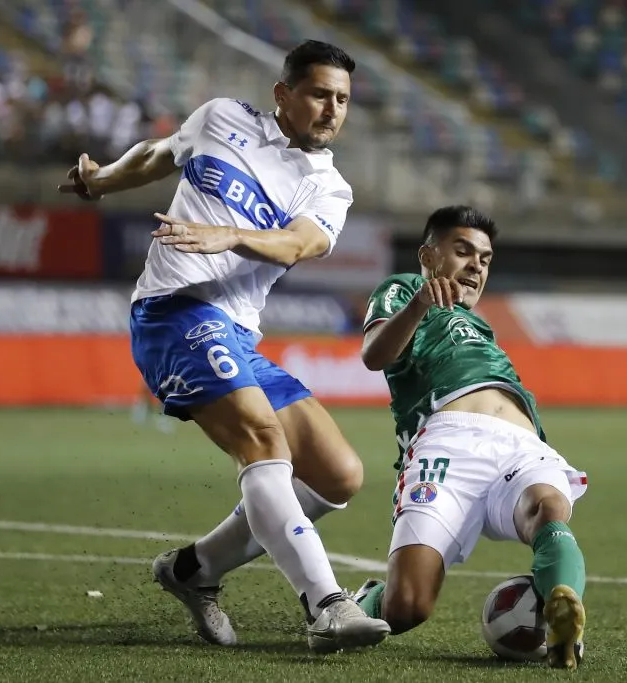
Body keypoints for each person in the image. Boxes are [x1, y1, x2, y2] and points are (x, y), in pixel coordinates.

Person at [57, 40, 390, 653]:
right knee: (265, 444)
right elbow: (161, 154)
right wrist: (101, 179)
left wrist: (228, 234)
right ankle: (326, 607)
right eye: (319, 94)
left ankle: (193, 571)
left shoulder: (328, 186)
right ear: (283, 94)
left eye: (342, 99)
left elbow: (296, 246)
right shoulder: (220, 117)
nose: (332, 110)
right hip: (173, 311)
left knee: (339, 475)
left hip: (237, 330)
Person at [353, 205, 589, 669]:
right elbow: (373, 355)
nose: (476, 265)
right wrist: (420, 302)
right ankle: (360, 603)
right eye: (463, 251)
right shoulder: (401, 290)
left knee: (548, 508)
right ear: (428, 254)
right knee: (408, 607)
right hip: (447, 444)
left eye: (485, 259)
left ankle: (564, 608)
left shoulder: (482, 327)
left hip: (522, 447)